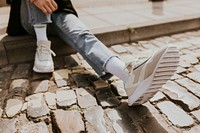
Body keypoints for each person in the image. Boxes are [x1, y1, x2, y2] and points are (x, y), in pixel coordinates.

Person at [6, 0, 179, 106]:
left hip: (59, 12)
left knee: (82, 35)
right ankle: (42, 44)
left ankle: (128, 77)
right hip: (28, 19)